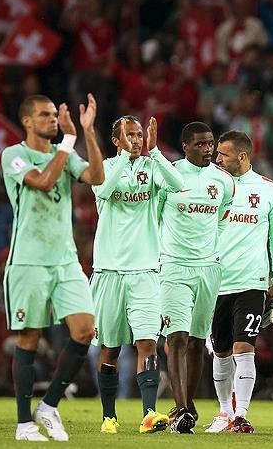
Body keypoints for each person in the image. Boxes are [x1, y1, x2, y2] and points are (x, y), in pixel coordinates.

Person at [0, 93, 104, 441]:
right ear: (27, 121)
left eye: (54, 115)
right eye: (45, 115)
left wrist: (87, 132)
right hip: (29, 260)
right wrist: (68, 141)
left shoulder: (66, 151)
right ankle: (23, 424)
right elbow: (43, 182)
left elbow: (97, 176)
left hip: (65, 259)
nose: (53, 120)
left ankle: (48, 406)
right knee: (29, 337)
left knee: (85, 330)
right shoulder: (13, 155)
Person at [90, 116, 183, 434]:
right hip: (109, 270)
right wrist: (124, 158)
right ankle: (109, 416)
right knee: (110, 347)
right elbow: (104, 190)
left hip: (145, 270)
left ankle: (149, 414)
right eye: (129, 135)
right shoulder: (104, 167)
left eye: (139, 134)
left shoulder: (152, 166)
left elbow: (178, 184)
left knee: (147, 342)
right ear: (116, 140)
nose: (136, 139)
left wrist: (154, 152)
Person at [206, 130, 273, 434]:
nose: (217, 159)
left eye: (223, 154)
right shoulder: (212, 184)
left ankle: (240, 414)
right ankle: (224, 412)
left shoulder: (268, 190)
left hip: (252, 282)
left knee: (244, 347)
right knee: (221, 350)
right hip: (216, 281)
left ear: (242, 156)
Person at [158, 121, 234, 433]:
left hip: (208, 269)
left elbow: (222, 219)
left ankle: (186, 406)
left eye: (211, 143)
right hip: (174, 266)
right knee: (176, 337)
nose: (208, 149)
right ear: (185, 146)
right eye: (200, 144)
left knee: (197, 341)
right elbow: (155, 216)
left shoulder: (224, 180)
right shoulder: (169, 175)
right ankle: (182, 409)